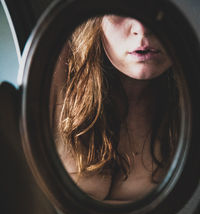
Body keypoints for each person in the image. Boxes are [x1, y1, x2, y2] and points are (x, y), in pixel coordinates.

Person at [50, 15, 180, 203]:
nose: (142, 29)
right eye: (121, 6)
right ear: (97, 17)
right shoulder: (56, 62)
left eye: (157, 7)